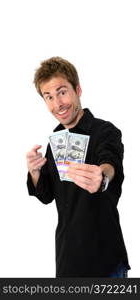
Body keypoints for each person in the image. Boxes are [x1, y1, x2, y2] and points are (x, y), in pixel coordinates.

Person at [26, 57, 130, 277]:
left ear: (78, 90)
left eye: (62, 92)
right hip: (67, 261)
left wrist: (102, 178)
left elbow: (110, 164)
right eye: (49, 97)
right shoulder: (56, 141)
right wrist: (35, 173)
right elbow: (46, 196)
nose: (57, 104)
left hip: (105, 261)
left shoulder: (105, 131)